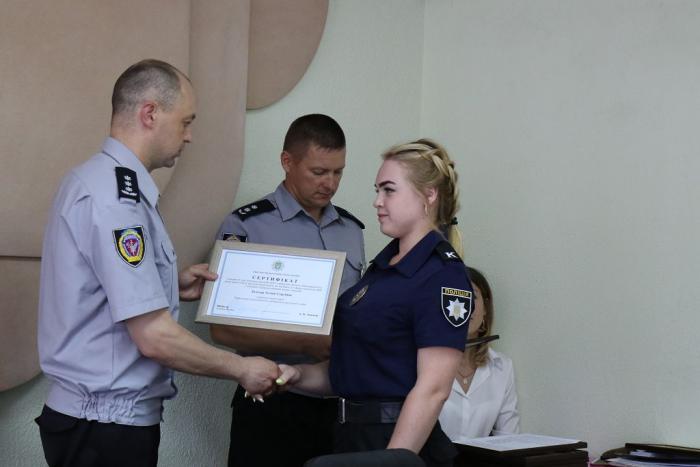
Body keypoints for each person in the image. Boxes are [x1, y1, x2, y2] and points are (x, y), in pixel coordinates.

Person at [34, 59, 280, 467]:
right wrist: (241, 368)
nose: (189, 136)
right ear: (150, 113)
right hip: (104, 427)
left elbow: (99, 289)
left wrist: (170, 285)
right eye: (186, 122)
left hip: (97, 424)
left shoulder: (95, 180)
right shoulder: (117, 200)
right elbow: (154, 337)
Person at [278, 138, 473, 467]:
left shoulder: (442, 275)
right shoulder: (382, 269)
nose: (377, 202)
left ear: (429, 195)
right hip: (350, 436)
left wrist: (390, 461)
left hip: (396, 442)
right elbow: (355, 369)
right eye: (377, 190)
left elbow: (433, 389)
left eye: (389, 190)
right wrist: (295, 374)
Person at [211, 114, 366, 467]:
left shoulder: (351, 230)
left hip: (340, 404)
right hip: (271, 401)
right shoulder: (247, 226)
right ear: (287, 161)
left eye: (338, 172)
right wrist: (304, 343)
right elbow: (222, 329)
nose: (330, 183)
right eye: (319, 172)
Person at [439, 267, 520, 442]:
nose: (463, 306)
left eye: (472, 296)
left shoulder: (502, 367)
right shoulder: (421, 363)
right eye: (455, 297)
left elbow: (509, 440)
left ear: (485, 308)